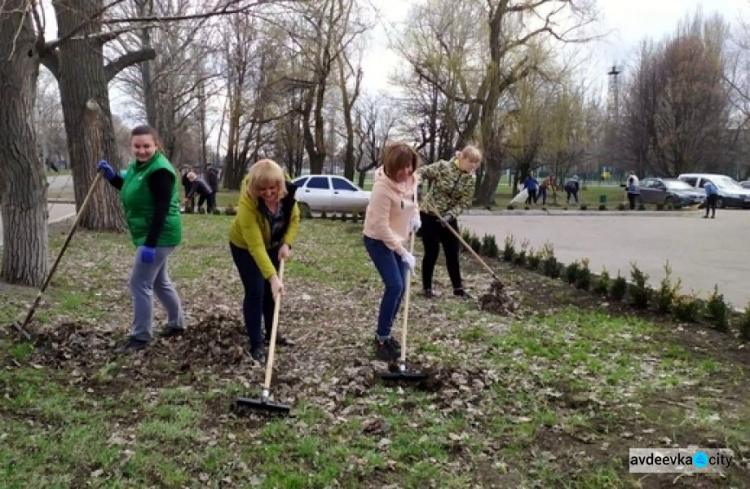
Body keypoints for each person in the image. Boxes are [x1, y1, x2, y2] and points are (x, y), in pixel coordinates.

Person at [96, 125, 184, 354]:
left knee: (139, 282)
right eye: (137, 146)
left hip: (160, 234)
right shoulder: (138, 166)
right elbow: (130, 187)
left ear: (156, 145)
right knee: (158, 281)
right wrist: (112, 176)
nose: (142, 150)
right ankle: (176, 324)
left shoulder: (160, 171)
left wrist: (151, 243)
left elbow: (162, 208)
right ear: (131, 146)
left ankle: (140, 337)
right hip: (152, 233)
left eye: (147, 146)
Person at [229, 159, 300, 364]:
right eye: (263, 189)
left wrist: (287, 243)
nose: (268, 193)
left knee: (272, 294)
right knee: (256, 291)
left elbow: (294, 219)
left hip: (274, 244)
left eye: (272, 188)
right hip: (245, 247)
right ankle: (256, 343)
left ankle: (272, 333)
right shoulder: (248, 202)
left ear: (280, 184)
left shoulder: (288, 192)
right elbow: (256, 247)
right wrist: (272, 277)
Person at [363, 142, 421, 362]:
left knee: (402, 287)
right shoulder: (382, 189)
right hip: (378, 240)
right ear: (391, 166)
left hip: (397, 238)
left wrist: (416, 216)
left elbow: (412, 201)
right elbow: (381, 227)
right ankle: (381, 338)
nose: (406, 172)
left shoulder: (412, 179)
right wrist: (402, 252)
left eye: (410, 166)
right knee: (395, 285)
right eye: (402, 167)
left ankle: (386, 334)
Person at [417, 145, 481, 299]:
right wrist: (417, 186)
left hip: (448, 219)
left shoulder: (471, 178)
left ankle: (458, 289)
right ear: (462, 158)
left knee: (453, 252)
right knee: (432, 252)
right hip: (430, 215)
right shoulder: (443, 167)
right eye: (471, 162)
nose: (473, 166)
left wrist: (450, 216)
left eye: (476, 163)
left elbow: (464, 202)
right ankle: (427, 288)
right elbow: (419, 172)